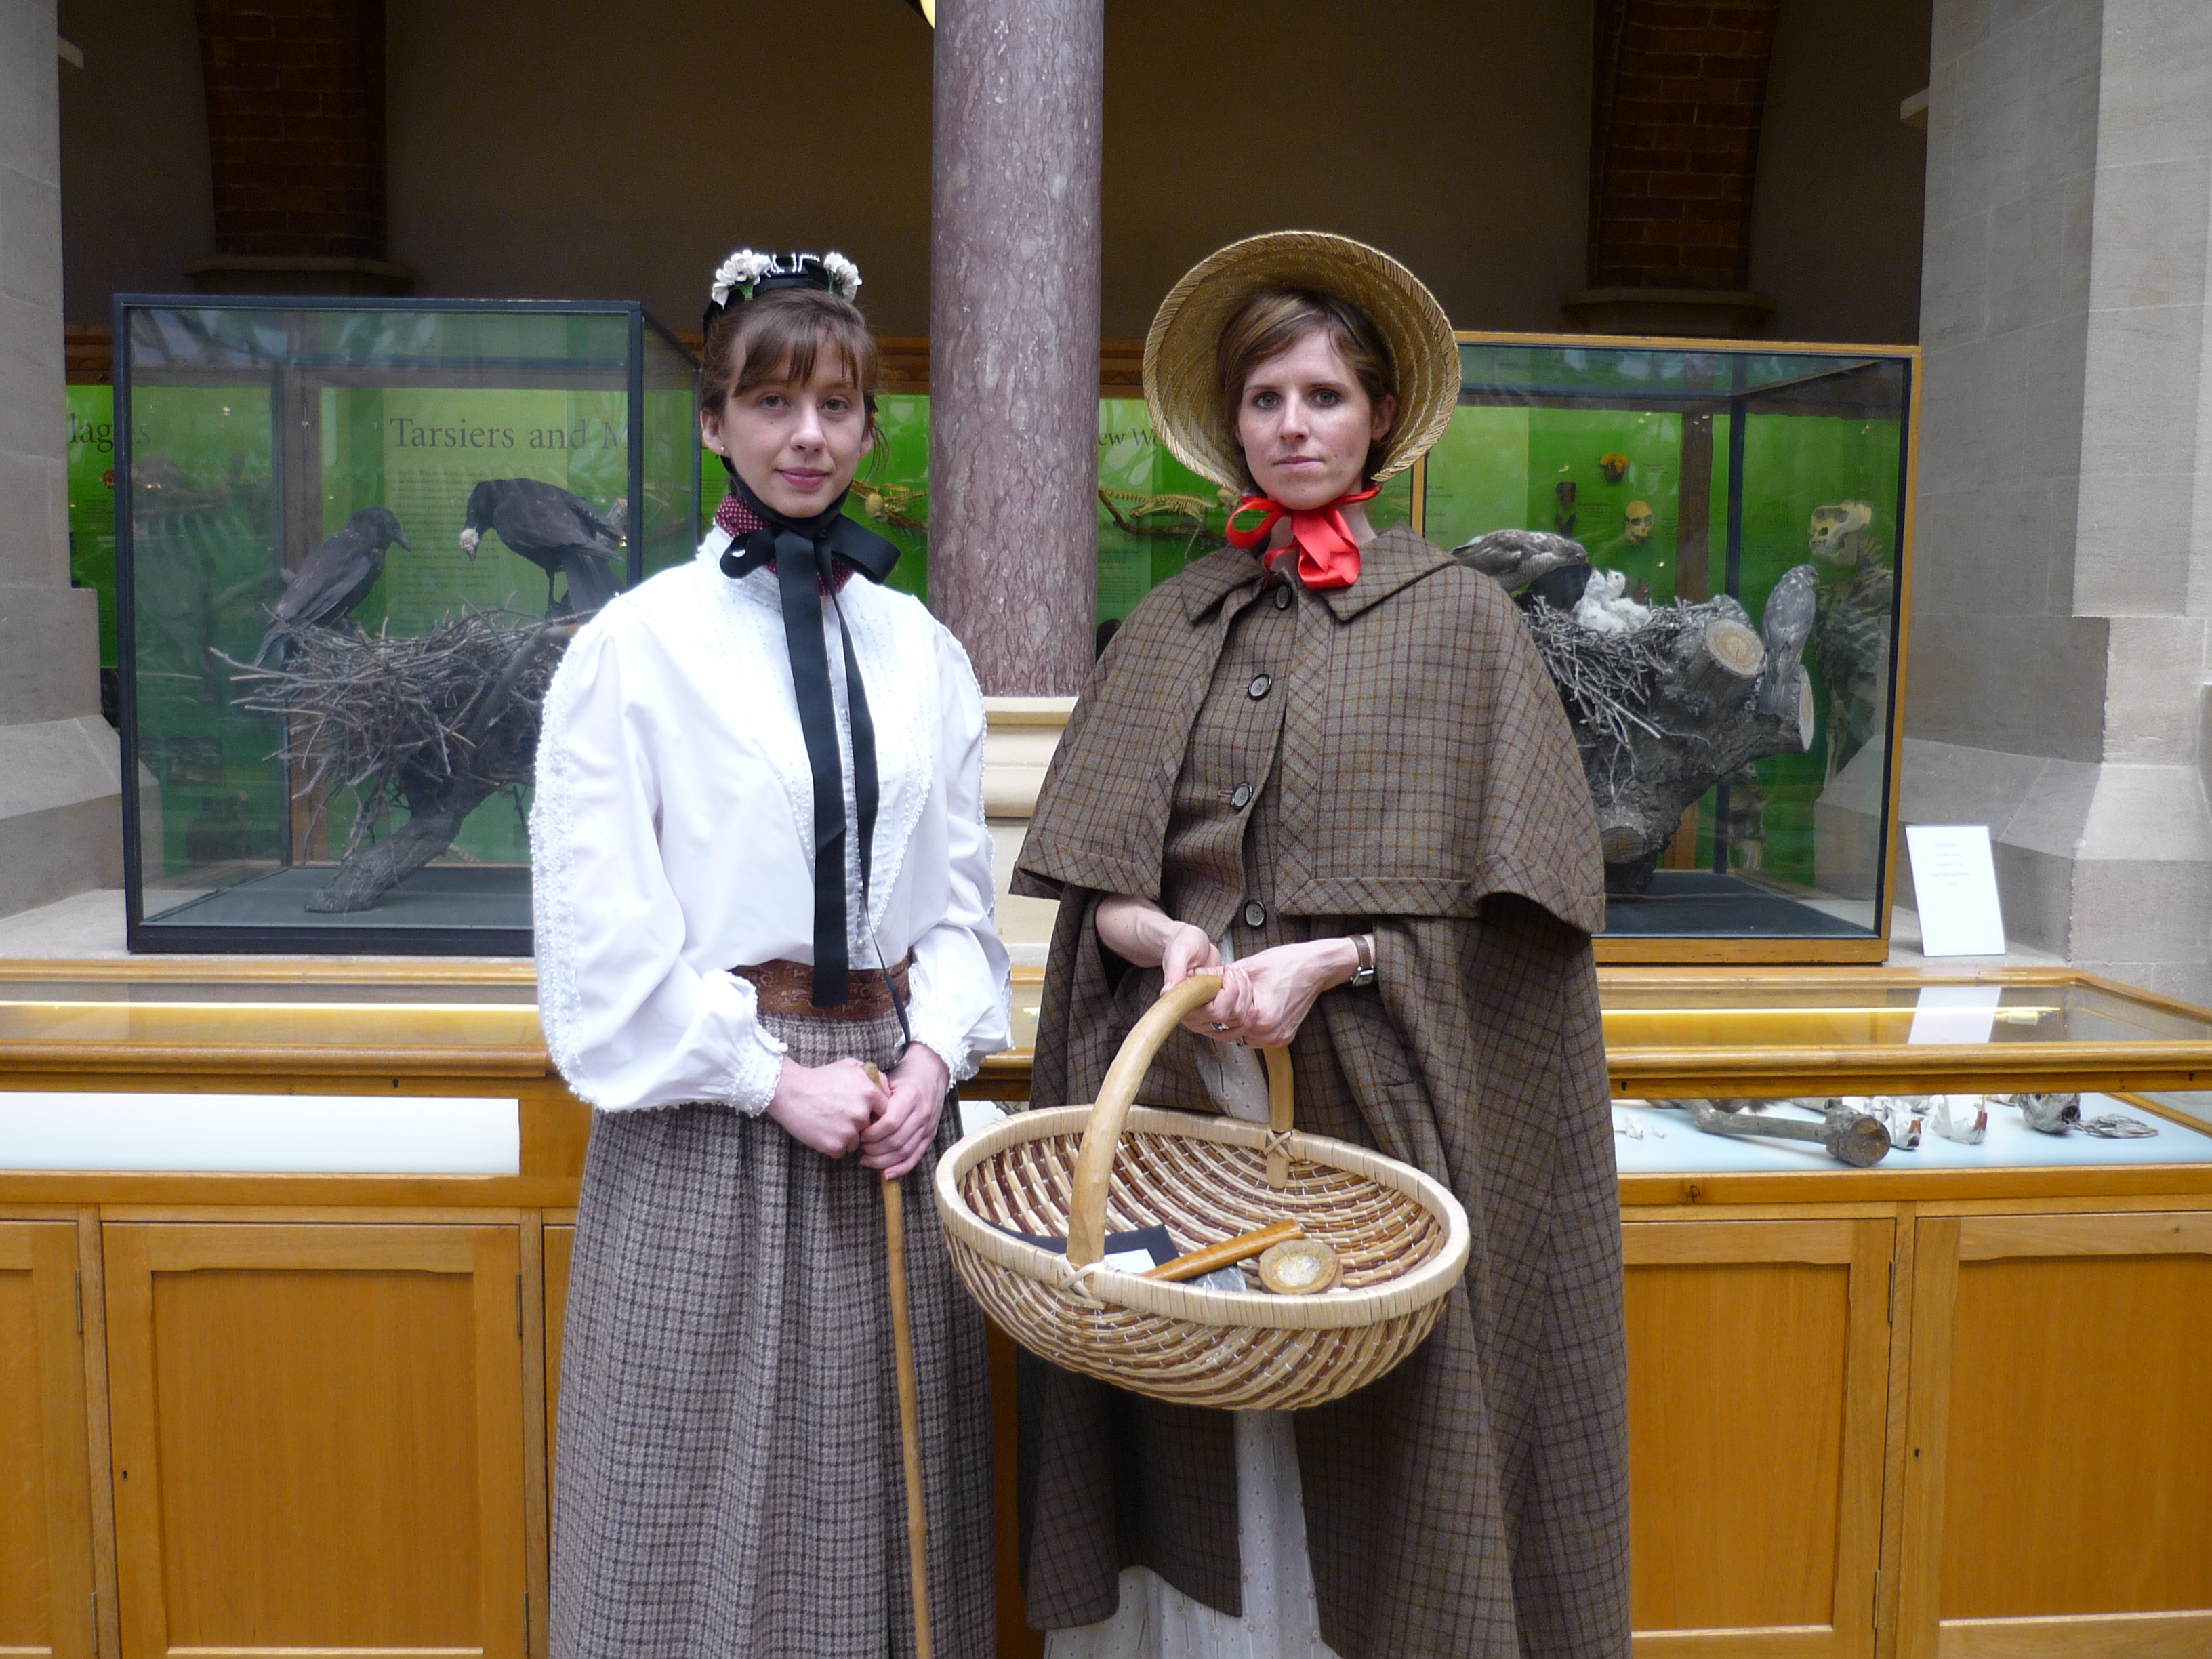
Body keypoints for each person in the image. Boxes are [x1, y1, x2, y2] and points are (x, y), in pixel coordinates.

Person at [1012, 231, 1631, 1659]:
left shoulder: (1464, 624)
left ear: (1381, 418)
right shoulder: (1171, 621)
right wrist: (1159, 934)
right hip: (1176, 1104)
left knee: (1373, 1434)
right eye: (1267, 399)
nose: (1294, 426)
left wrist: (1332, 962)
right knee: (1190, 1405)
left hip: (1386, 1122)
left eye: (1324, 397)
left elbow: (1520, 924)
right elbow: (1100, 879)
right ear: (1230, 425)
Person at [531, 246, 1011, 1659]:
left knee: (886, 1494)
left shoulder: (922, 647)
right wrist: (763, 1078)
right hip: (714, 1120)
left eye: (839, 406)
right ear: (714, 418)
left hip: (893, 1124)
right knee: (690, 1504)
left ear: (871, 427)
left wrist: (934, 1053)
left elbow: (960, 904)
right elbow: (601, 931)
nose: (809, 436)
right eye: (773, 401)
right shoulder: (637, 647)